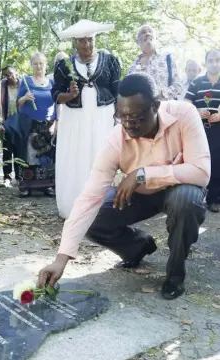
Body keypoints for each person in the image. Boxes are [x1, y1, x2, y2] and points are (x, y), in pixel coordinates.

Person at [38, 73, 210, 300]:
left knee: (185, 200)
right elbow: (89, 198)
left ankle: (175, 273)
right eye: (122, 116)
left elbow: (201, 172)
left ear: (155, 106)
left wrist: (143, 174)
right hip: (141, 196)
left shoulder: (184, 114)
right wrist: (61, 259)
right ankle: (138, 246)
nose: (128, 124)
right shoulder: (115, 139)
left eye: (137, 118)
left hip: (180, 191)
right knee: (93, 216)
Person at [52, 19, 121, 219]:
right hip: (75, 120)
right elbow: (55, 93)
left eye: (90, 39)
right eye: (82, 41)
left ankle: (103, 205)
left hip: (102, 118)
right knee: (77, 157)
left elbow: (117, 91)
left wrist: (120, 116)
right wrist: (69, 95)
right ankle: (75, 206)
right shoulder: (64, 65)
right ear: (75, 42)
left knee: (100, 156)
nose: (87, 44)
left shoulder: (110, 61)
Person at [15, 52, 57, 197]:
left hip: (47, 124)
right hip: (30, 123)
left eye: (41, 63)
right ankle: (26, 186)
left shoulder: (52, 83)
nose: (39, 66)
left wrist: (56, 123)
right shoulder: (26, 81)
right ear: (31, 65)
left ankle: (47, 185)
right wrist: (24, 98)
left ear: (46, 65)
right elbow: (17, 102)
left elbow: (57, 104)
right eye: (35, 63)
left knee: (47, 155)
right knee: (29, 155)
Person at [185, 49, 220, 213]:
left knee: (217, 164)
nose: (214, 63)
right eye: (211, 60)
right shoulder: (196, 83)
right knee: (197, 162)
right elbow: (186, 103)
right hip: (199, 129)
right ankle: (195, 200)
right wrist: (196, 112)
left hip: (218, 129)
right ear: (205, 62)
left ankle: (214, 199)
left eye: (217, 60)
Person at [128, 24, 182, 100]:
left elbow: (178, 86)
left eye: (150, 31)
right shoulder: (132, 68)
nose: (147, 34)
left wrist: (161, 93)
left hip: (165, 109)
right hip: (142, 110)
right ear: (137, 41)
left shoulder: (168, 59)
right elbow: (129, 92)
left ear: (156, 38)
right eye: (143, 32)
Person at [1, 65, 20, 187]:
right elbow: (0, 102)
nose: (9, 76)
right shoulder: (3, 85)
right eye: (6, 75)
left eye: (11, 73)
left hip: (20, 122)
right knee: (7, 150)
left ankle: (19, 176)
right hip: (8, 121)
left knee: (19, 149)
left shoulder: (23, 84)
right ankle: (7, 177)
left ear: (16, 73)